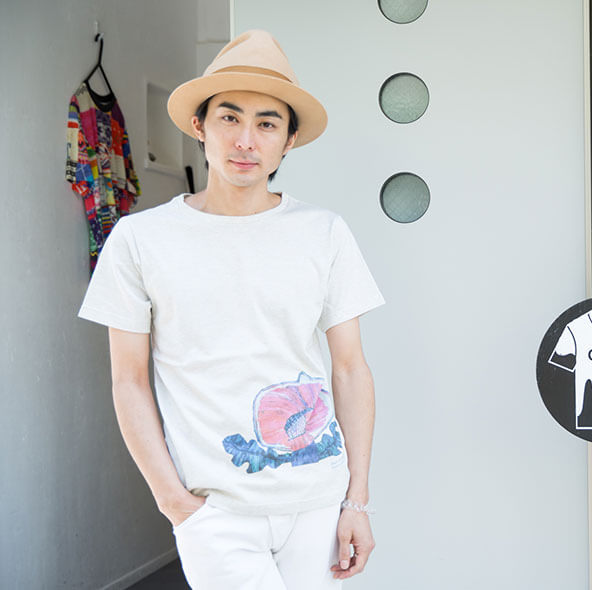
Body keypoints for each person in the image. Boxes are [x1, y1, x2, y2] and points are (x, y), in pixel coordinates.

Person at [77, 30, 384, 589]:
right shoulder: (140, 239)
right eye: (229, 118)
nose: (245, 141)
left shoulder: (324, 232)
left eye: (267, 124)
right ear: (199, 126)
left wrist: (356, 500)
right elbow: (129, 381)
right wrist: (174, 503)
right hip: (213, 508)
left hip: (318, 498)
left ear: (289, 140)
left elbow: (349, 368)